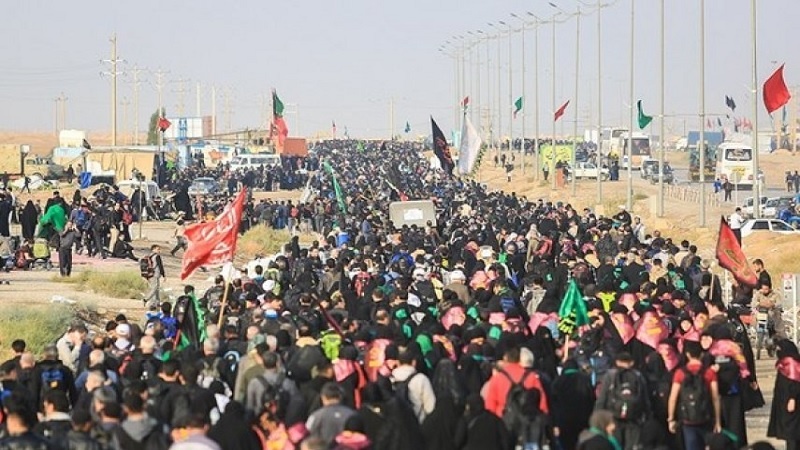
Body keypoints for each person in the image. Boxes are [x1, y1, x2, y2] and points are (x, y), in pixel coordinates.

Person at [667, 343, 722, 450]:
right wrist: (718, 421)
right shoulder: (709, 372)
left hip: (687, 419)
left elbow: (673, 398)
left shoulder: (680, 373)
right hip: (706, 416)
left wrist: (671, 419)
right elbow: (715, 397)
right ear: (702, 354)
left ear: (687, 354)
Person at [594, 352, 650, 449]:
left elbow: (602, 398)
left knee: (615, 445)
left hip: (613, 418)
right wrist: (647, 416)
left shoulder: (610, 375)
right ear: (631, 362)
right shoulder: (638, 375)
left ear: (617, 362)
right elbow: (645, 399)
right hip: (634, 419)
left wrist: (597, 417)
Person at [767, 339, 800, 450]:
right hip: (784, 400)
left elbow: (795, 382)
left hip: (791, 401)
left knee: (791, 431)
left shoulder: (791, 363)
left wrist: (792, 398)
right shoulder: (784, 362)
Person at [305, 383, 356, 447]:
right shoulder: (352, 415)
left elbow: (306, 434)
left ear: (323, 397)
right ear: (340, 396)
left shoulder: (315, 416)